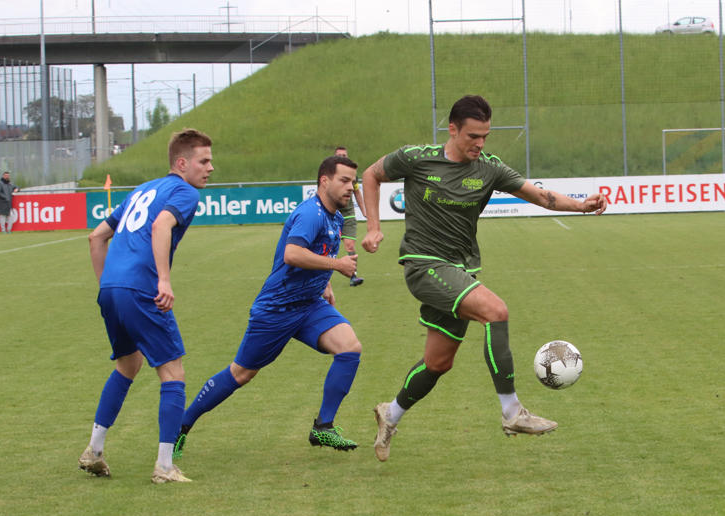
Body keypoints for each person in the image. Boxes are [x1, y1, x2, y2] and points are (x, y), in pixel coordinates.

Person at [361, 94, 608, 462]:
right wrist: (373, 227)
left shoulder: (489, 168)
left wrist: (581, 205)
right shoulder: (416, 158)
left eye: (485, 137)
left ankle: (390, 414)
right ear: (452, 129)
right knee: (496, 311)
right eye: (472, 136)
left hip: (459, 270)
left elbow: (540, 196)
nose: (479, 144)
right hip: (423, 265)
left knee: (437, 363)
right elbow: (371, 174)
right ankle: (512, 412)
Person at [172, 154, 364, 458]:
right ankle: (181, 426)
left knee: (350, 348)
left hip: (309, 305)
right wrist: (337, 265)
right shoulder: (310, 213)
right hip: (278, 308)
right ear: (324, 181)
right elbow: (292, 254)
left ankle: (323, 426)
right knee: (240, 374)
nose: (350, 187)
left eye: (353, 181)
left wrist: (325, 282)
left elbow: (320, 252)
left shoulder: (335, 218)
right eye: (344, 180)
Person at [79, 128, 214, 484]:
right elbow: (161, 225)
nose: (210, 168)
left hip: (112, 289)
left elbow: (96, 237)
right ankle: (165, 467)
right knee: (173, 373)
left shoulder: (141, 189)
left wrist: (108, 285)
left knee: (128, 364)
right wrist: (163, 280)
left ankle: (94, 450)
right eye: (203, 161)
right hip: (141, 289)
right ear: (182, 163)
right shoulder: (185, 192)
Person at [334, 146, 366, 287]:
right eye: (339, 155)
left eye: (344, 155)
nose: (342, 157)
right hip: (333, 215)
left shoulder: (353, 176)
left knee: (350, 245)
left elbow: (357, 192)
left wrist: (364, 211)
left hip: (348, 216)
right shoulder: (330, 174)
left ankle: (353, 276)